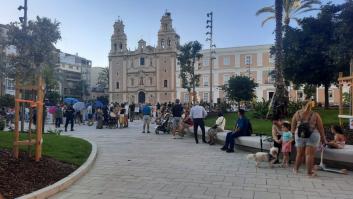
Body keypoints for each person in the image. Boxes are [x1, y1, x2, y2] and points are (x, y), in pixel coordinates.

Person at [291, 101, 326, 176]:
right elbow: (321, 128)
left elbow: (293, 126)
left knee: (299, 154)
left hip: (299, 135)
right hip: (313, 134)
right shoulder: (315, 114)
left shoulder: (297, 113)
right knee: (309, 155)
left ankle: (296, 169)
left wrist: (294, 135)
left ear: (301, 105)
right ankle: (309, 172)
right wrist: (323, 139)